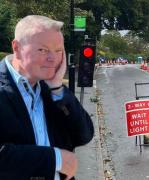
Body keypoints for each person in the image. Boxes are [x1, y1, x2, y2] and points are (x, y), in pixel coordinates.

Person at [0, 15, 94, 180]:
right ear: (16, 48)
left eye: (58, 51)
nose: (52, 59)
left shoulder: (49, 87)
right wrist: (56, 159)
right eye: (42, 50)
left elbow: (84, 135)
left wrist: (57, 88)